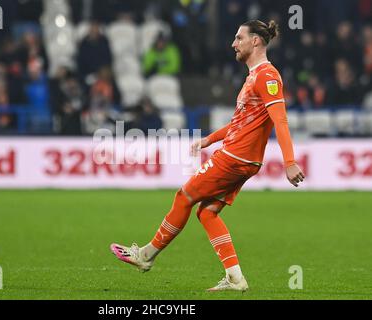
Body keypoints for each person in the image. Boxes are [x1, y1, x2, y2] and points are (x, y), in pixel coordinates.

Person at [110, 20, 305, 292]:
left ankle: (145, 256)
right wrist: (208, 140)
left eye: (239, 38)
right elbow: (241, 122)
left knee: (184, 196)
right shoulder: (254, 76)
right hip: (243, 158)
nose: (233, 44)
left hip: (236, 157)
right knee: (208, 213)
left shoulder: (267, 76)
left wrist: (289, 162)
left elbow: (280, 120)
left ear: (256, 41)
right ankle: (235, 277)